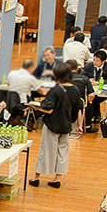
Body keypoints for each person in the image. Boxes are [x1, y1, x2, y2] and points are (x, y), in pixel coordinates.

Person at [30, 60, 81, 189]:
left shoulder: (56, 90)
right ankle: (57, 178)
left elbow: (48, 108)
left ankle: (37, 177)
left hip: (52, 124)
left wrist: (35, 106)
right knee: (62, 153)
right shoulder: (75, 89)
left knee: (46, 151)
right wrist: (77, 125)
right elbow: (78, 108)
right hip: (66, 125)